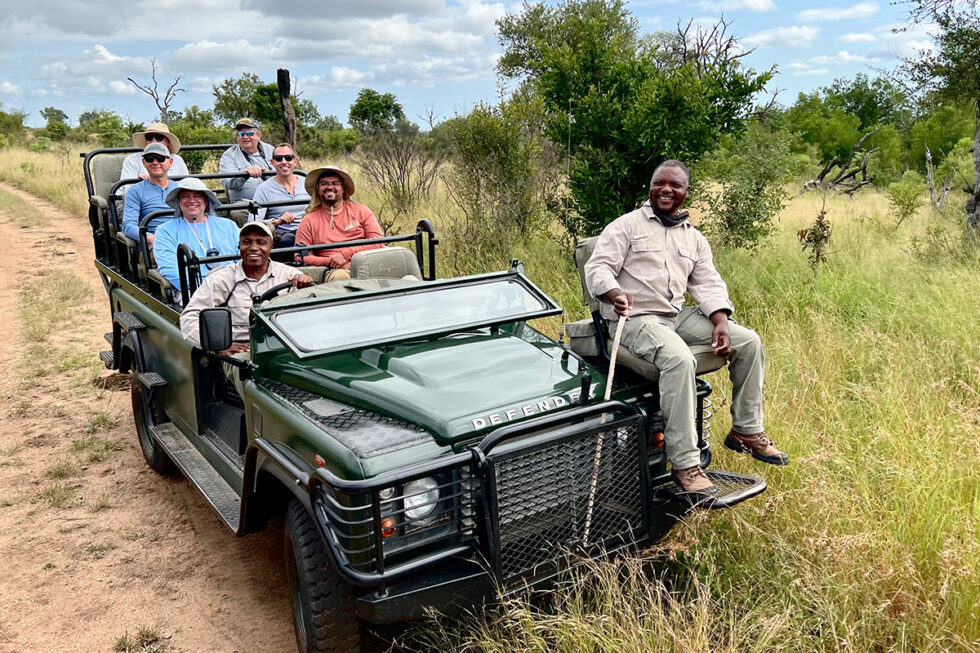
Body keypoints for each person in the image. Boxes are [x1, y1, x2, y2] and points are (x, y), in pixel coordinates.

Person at [584, 159, 789, 502]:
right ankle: (685, 465)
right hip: (636, 318)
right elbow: (598, 267)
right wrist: (614, 293)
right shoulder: (626, 226)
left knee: (748, 341)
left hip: (675, 316)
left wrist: (721, 321)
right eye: (659, 183)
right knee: (679, 359)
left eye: (675, 185)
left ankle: (745, 430)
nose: (666, 190)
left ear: (685, 193)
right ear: (650, 188)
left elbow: (708, 282)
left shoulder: (694, 239)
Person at [179, 221, 313, 396]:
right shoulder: (222, 279)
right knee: (251, 376)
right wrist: (218, 346)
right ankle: (259, 420)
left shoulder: (289, 275)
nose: (254, 248)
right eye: (247, 242)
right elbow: (189, 316)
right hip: (242, 351)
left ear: (271, 246)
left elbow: (310, 314)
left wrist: (305, 288)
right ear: (239, 246)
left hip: (284, 348)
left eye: (261, 242)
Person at [293, 166, 384, 282]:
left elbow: (378, 242)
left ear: (343, 188)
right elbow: (300, 256)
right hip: (335, 271)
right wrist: (331, 261)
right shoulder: (308, 220)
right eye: (324, 184)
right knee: (341, 278)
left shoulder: (361, 211)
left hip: (368, 263)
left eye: (335, 183)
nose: (329, 187)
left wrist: (345, 255)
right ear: (318, 188)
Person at [154, 177, 240, 294]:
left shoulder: (229, 226)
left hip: (234, 286)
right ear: (178, 201)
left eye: (197, 196)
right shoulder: (165, 231)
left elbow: (243, 259)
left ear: (206, 200)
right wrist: (209, 288)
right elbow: (171, 271)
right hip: (194, 290)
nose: (192, 200)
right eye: (185, 196)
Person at [250, 143, 309, 248]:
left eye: (288, 158)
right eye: (278, 159)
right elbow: (252, 221)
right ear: (272, 162)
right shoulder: (264, 189)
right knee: (288, 241)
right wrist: (276, 221)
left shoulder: (307, 183)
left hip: (309, 230)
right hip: (284, 235)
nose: (284, 162)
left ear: (295, 161)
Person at [121, 143, 179, 243]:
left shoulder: (181, 188)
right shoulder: (135, 190)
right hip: (153, 244)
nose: (155, 162)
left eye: (160, 158)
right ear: (144, 162)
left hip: (182, 239)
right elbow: (128, 226)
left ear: (170, 162)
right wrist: (153, 239)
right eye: (149, 158)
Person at [218, 118, 275, 202]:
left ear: (259, 135)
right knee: (238, 213)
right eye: (241, 134)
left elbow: (282, 176)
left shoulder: (271, 150)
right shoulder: (229, 155)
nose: (245, 137)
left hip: (272, 200)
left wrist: (264, 174)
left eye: (249, 133)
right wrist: (245, 175)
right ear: (237, 137)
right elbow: (227, 182)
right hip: (244, 202)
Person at [120, 122, 189, 187]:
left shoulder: (178, 161)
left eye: (159, 137)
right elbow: (127, 190)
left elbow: (187, 186)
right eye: (149, 137)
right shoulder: (132, 160)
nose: (153, 141)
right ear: (143, 161)